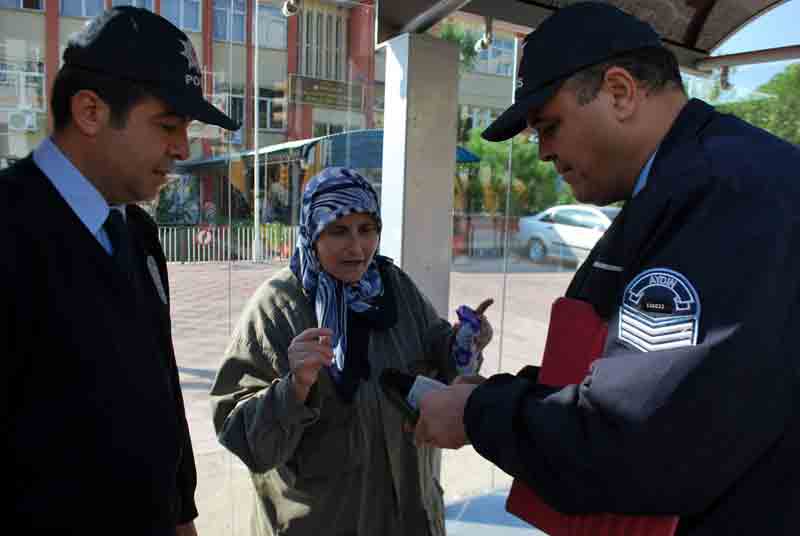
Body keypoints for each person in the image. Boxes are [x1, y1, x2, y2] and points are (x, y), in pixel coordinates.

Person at [414, 2, 800, 534]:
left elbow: (644, 435)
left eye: (548, 126)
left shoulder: (725, 193)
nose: (544, 151)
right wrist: (492, 399)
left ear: (619, 92)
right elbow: (629, 373)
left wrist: (478, 414)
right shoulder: (682, 185)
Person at [1, 6, 239, 534]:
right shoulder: (11, 230)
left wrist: (182, 512)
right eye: (167, 125)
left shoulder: (136, 232)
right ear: (90, 111)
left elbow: (161, 382)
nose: (181, 148)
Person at [210, 167, 493, 536]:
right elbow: (242, 436)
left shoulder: (394, 289)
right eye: (339, 231)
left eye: (367, 230)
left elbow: (438, 351)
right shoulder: (277, 309)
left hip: (408, 517)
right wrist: (293, 389)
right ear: (312, 234)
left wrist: (463, 343)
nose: (357, 248)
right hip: (319, 523)